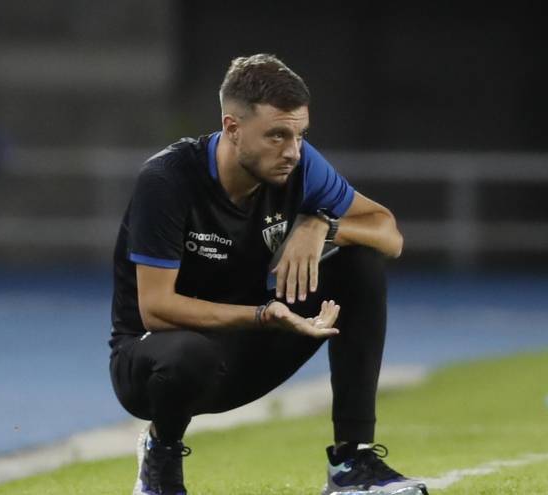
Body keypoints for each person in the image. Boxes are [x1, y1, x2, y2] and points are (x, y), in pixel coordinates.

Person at [109, 53, 428, 495]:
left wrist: (323, 225)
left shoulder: (300, 166)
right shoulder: (166, 179)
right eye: (277, 135)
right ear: (233, 128)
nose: (293, 151)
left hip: (246, 351)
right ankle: (160, 458)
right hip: (155, 367)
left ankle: (352, 463)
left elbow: (389, 234)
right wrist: (262, 315)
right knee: (188, 356)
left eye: (300, 135)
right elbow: (156, 310)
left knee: (361, 261)